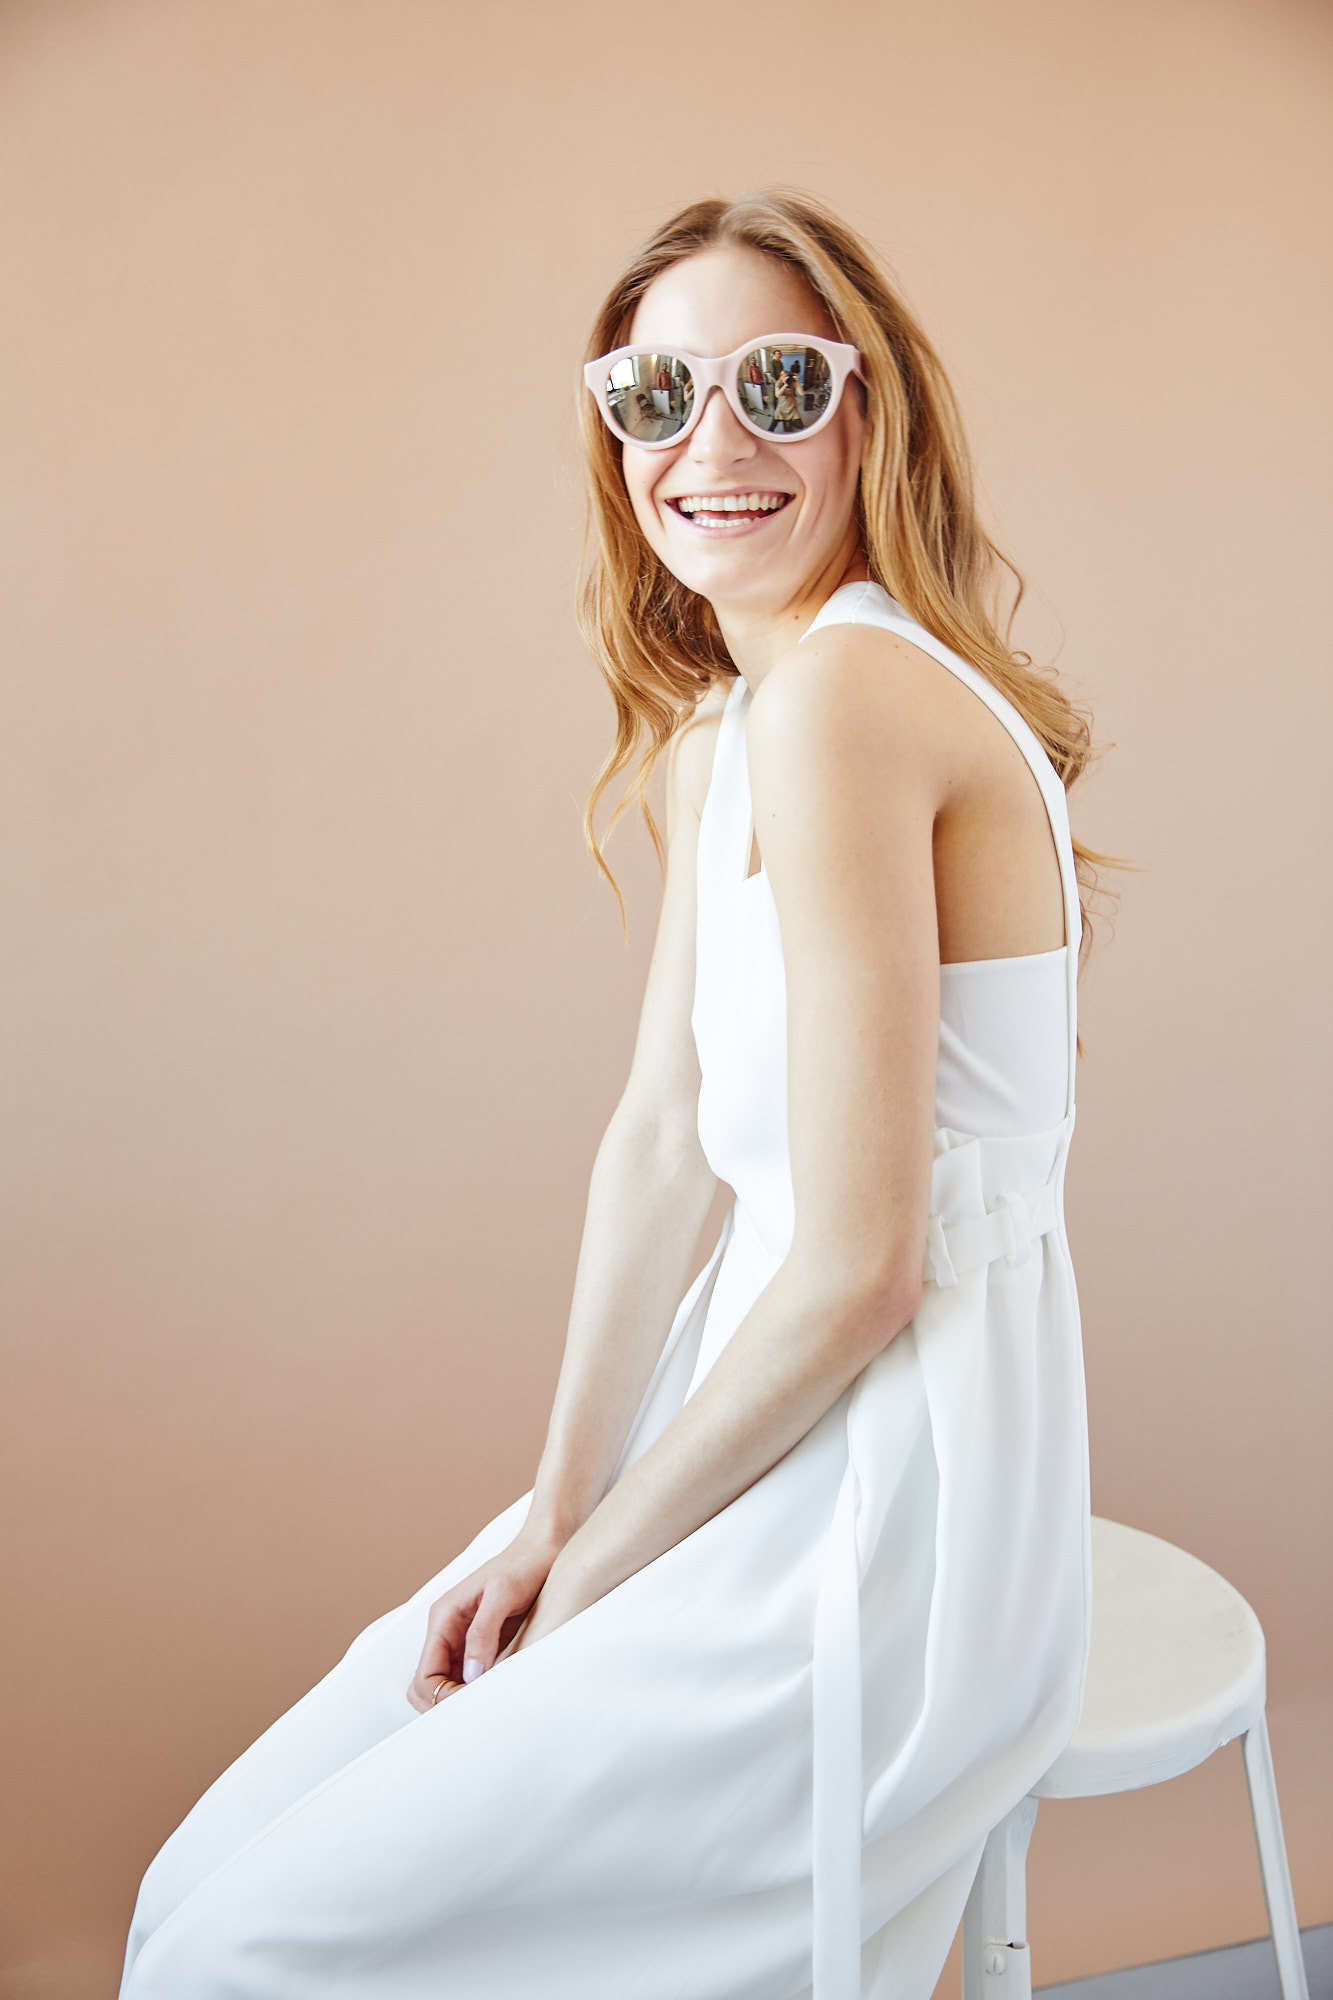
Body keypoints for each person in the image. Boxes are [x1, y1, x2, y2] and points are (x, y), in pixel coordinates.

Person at [118, 186, 1118, 2000]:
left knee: (250, 1952)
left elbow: (864, 1269)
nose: (710, 444)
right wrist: (552, 1509)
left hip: (894, 1496)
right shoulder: (735, 732)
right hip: (739, 1418)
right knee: (196, 1900)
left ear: (870, 407)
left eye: (778, 386)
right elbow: (662, 1140)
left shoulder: (849, 708)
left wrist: (599, 1582)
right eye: (655, 394)